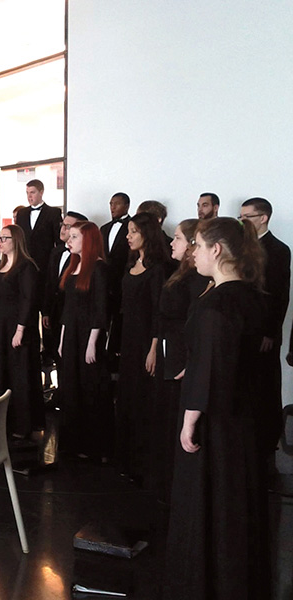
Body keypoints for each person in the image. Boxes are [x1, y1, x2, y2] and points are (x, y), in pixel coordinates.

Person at [165, 217, 271, 600]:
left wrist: (190, 419)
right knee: (237, 501)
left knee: (209, 501)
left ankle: (204, 584)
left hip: (215, 421)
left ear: (216, 250)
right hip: (245, 418)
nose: (192, 252)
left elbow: (210, 366)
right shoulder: (252, 295)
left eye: (196, 244)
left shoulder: (217, 303)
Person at [154, 219, 210, 501]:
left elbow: (196, 325)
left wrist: (189, 360)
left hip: (182, 358)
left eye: (176, 238)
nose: (171, 243)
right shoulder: (179, 272)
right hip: (171, 353)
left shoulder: (198, 279)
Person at [116, 212, 169, 485]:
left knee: (143, 398)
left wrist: (153, 347)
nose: (128, 236)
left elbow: (160, 312)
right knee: (127, 396)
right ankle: (127, 459)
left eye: (134, 231)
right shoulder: (130, 264)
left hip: (146, 341)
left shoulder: (158, 269)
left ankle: (144, 462)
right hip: (128, 338)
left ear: (146, 233)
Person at [240, 197, 288, 460]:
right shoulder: (241, 248)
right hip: (244, 329)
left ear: (263, 218)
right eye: (241, 217)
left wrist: (270, 332)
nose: (243, 221)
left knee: (266, 385)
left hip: (265, 331)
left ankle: (268, 441)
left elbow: (280, 295)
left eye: (247, 217)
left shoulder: (279, 249)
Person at [57, 221, 110, 460]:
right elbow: (68, 308)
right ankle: (72, 442)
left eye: (75, 237)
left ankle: (92, 444)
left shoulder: (98, 269)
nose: (69, 241)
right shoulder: (73, 267)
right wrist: (61, 339)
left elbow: (101, 310)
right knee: (69, 385)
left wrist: (92, 343)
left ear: (87, 240)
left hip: (89, 336)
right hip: (71, 334)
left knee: (88, 386)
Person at [0, 225, 43, 438]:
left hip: (17, 326)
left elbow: (28, 301)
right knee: (1, 370)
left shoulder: (26, 267)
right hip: (0, 325)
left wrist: (20, 330)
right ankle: (3, 422)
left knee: (19, 372)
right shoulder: (1, 266)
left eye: (5, 238)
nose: (0, 241)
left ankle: (22, 424)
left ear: (15, 240)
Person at [42, 210, 87, 373]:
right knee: (56, 352)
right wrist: (46, 311)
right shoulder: (56, 252)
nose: (63, 229)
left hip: (72, 315)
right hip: (54, 312)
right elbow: (49, 283)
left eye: (68, 226)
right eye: (63, 225)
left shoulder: (84, 257)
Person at [100, 192, 131, 368]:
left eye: (116, 204)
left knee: (119, 323)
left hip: (123, 283)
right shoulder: (104, 228)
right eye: (110, 203)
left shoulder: (132, 228)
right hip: (105, 283)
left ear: (126, 205)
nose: (112, 207)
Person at [14, 179, 62, 292]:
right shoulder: (22, 213)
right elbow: (18, 237)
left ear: (41, 192)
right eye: (27, 193)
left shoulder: (53, 212)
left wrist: (54, 263)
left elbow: (59, 240)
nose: (29, 196)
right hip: (24, 262)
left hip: (44, 264)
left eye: (32, 192)